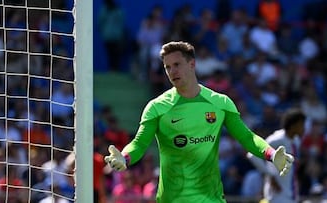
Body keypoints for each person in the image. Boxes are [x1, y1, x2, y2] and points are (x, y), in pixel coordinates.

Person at [105, 41, 294, 203]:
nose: (172, 71)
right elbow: (139, 143)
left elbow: (246, 137)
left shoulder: (220, 103)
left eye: (177, 64)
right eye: (167, 67)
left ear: (192, 64)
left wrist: (270, 154)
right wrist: (125, 158)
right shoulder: (157, 107)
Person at [247, 108, 306, 203]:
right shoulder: (277, 139)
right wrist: (270, 175)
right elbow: (252, 154)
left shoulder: (296, 141)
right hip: (277, 193)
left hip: (291, 193)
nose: (304, 128)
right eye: (301, 125)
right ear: (293, 125)